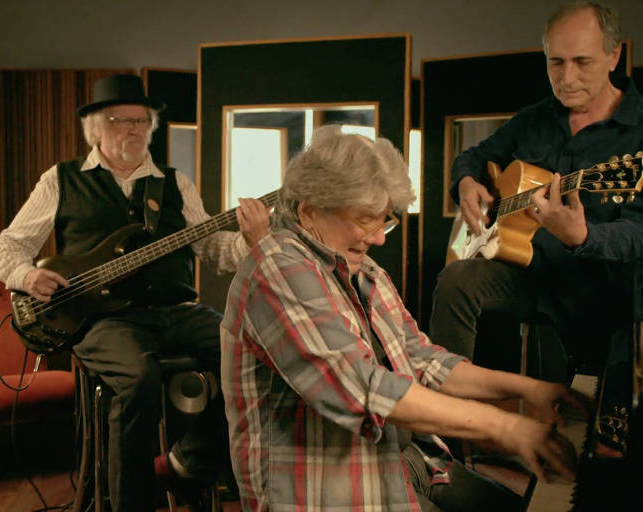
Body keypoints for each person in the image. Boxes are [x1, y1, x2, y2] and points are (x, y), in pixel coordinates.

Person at [220, 124, 587, 511]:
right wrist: (508, 427)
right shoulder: (278, 267)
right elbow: (361, 388)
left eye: (385, 220)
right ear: (310, 212)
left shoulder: (366, 272)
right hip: (331, 492)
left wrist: (530, 390)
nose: (379, 237)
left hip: (407, 462)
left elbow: (422, 359)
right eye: (366, 220)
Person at [0, 74, 270, 512]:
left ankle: (186, 461)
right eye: (123, 120)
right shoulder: (61, 180)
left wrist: (251, 240)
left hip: (178, 310)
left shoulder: (176, 184)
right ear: (97, 128)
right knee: (137, 381)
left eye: (143, 121)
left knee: (254, 354)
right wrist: (27, 277)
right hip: (104, 320)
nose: (135, 130)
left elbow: (215, 251)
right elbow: (8, 246)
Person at [430, 1, 643, 390]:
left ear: (614, 55)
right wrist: (466, 182)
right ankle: (447, 414)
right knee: (455, 278)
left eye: (582, 62)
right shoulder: (535, 119)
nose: (566, 78)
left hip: (605, 289)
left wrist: (583, 237)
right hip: (531, 273)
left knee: (603, 428)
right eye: (556, 63)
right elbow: (474, 157)